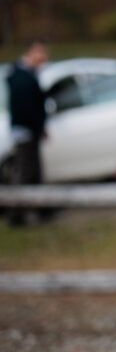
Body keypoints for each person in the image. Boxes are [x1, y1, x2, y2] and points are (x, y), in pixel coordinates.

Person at [5, 42, 49, 224]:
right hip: (26, 132)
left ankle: (38, 210)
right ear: (33, 54)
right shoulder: (23, 77)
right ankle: (17, 215)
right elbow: (28, 108)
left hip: (27, 131)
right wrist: (38, 127)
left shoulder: (21, 74)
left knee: (32, 173)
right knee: (26, 174)